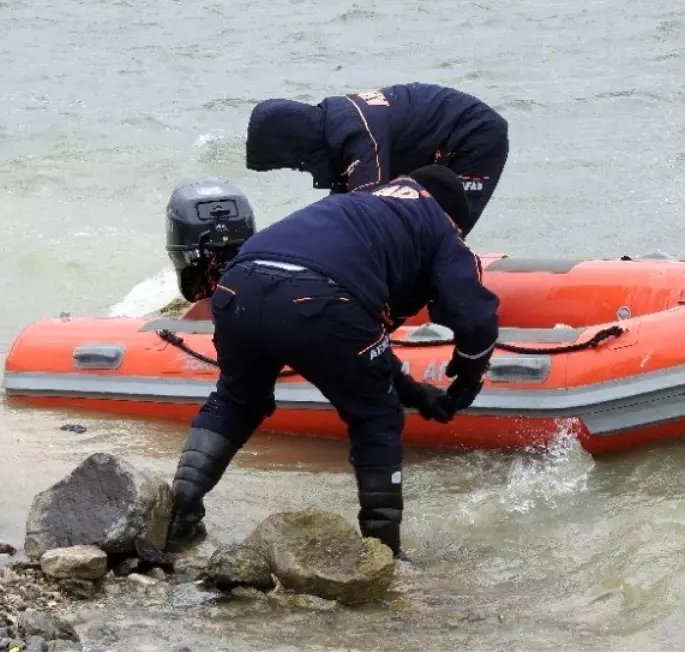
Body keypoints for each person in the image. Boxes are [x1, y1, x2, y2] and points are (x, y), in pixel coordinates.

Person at [165, 164, 500, 558]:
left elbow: (361, 337)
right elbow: (474, 316)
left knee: (238, 400)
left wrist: (410, 388)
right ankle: (383, 550)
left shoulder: (359, 205)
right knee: (376, 415)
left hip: (239, 284)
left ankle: (179, 512)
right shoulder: (439, 225)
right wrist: (468, 380)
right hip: (318, 299)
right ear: (454, 218)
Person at [244, 82, 509, 236]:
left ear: (297, 144)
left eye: (293, 162)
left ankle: (449, 288)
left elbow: (368, 214)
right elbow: (342, 203)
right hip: (424, 144)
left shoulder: (360, 137)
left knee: (444, 227)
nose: (298, 168)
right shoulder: (335, 127)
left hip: (472, 136)